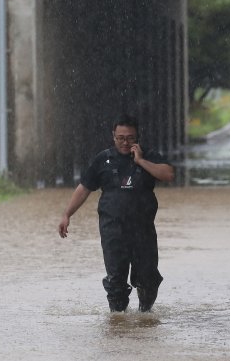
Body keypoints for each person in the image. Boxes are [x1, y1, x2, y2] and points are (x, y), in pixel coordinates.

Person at [58, 114, 175, 312]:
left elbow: (168, 174)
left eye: (130, 138)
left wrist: (140, 161)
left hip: (143, 229)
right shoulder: (103, 160)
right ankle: (118, 320)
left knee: (148, 278)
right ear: (113, 136)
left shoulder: (148, 155)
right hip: (112, 229)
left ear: (137, 137)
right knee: (116, 281)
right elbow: (84, 188)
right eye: (120, 138)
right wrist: (66, 214)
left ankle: (145, 315)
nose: (125, 142)